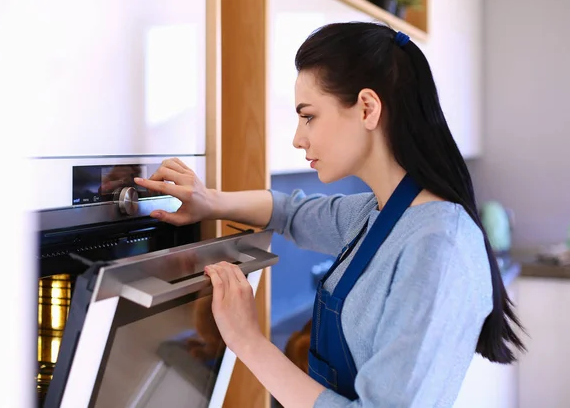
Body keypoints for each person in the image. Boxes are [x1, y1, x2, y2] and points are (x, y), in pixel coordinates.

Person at [134, 21, 525, 408]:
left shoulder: (437, 246)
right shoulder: (383, 213)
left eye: (309, 116)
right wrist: (209, 200)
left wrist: (247, 340)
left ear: (367, 108)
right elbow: (291, 212)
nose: (297, 137)